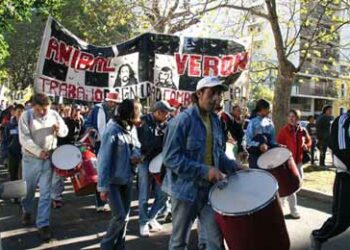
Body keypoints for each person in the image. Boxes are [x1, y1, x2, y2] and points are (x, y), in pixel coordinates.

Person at [162, 76, 240, 250]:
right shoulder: (182, 121)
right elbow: (171, 159)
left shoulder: (216, 121)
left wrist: (234, 166)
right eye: (212, 93)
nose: (217, 98)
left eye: (219, 94)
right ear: (199, 93)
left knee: (214, 242)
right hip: (185, 192)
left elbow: (218, 153)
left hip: (211, 192)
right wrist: (205, 171)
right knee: (178, 243)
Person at [19, 93, 68, 241]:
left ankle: (43, 224)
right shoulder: (25, 117)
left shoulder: (54, 114)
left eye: (46, 108)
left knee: (46, 193)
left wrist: (59, 129)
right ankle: (26, 210)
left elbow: (64, 132)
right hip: (30, 159)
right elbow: (24, 138)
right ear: (33, 106)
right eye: (41, 109)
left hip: (48, 158)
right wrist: (38, 151)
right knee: (28, 191)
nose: (45, 112)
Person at [97, 99, 141, 250]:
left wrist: (136, 154)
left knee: (125, 218)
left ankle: (120, 246)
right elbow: (103, 160)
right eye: (137, 113)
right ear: (130, 114)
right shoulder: (111, 130)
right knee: (119, 217)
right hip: (112, 181)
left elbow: (137, 145)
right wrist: (102, 187)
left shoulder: (130, 128)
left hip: (127, 178)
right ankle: (106, 246)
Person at [310, 110, 350, 250]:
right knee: (341, 220)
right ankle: (318, 236)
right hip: (346, 177)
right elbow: (342, 148)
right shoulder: (343, 121)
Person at [136, 100, 174, 237]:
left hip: (160, 163)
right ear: (158, 112)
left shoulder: (166, 124)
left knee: (163, 194)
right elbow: (143, 142)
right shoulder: (143, 122)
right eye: (166, 112)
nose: (168, 115)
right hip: (145, 161)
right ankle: (143, 223)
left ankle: (150, 218)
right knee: (144, 195)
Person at [86, 92, 120, 212]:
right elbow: (88, 123)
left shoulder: (118, 111)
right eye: (110, 102)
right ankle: (100, 202)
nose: (112, 104)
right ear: (106, 101)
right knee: (101, 171)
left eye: (114, 103)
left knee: (113, 172)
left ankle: (111, 201)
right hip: (100, 143)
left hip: (115, 144)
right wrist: (92, 131)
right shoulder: (97, 109)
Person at [277, 109, 311, 219]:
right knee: (292, 186)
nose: (292, 118)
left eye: (294, 117)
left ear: (298, 118)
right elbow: (278, 144)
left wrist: (307, 145)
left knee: (297, 184)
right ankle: (293, 210)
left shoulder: (302, 130)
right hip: (287, 162)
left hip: (299, 161)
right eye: (290, 116)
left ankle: (283, 203)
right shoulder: (284, 131)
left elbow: (309, 141)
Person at [51, 104, 85, 209]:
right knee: (59, 175)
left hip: (73, 149)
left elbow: (80, 135)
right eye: (75, 111)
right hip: (62, 149)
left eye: (79, 111)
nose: (77, 113)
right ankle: (56, 198)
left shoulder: (80, 121)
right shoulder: (64, 121)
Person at [246, 99, 280, 169]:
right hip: (255, 157)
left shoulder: (270, 122)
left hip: (268, 157)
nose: (269, 111)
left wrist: (278, 146)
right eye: (268, 109)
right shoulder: (252, 122)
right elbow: (248, 141)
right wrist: (259, 146)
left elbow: (272, 141)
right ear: (262, 109)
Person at [3, 104, 24, 183]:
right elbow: (5, 141)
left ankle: (22, 193)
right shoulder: (9, 126)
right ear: (14, 112)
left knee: (23, 176)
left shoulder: (27, 125)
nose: (20, 113)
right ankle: (14, 193)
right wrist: (4, 156)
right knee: (13, 175)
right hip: (12, 154)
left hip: (24, 154)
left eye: (22, 111)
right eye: (19, 111)